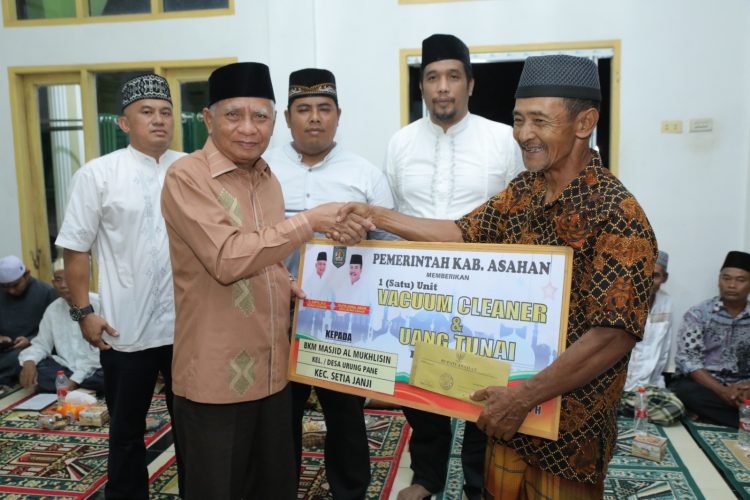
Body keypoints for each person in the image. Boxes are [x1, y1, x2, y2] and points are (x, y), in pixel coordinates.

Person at [337, 54, 656, 498]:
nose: (525, 134)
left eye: (540, 121)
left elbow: (613, 334)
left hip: (569, 430)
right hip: (507, 413)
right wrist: (377, 215)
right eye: (519, 120)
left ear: (584, 123)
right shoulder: (524, 190)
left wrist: (524, 395)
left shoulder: (619, 215)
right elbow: (462, 233)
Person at [160, 62, 369, 500]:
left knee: (273, 487)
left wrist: (284, 282)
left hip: (274, 374)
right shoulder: (187, 177)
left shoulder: (267, 179)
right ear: (208, 118)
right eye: (234, 115)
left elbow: (266, 256)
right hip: (216, 381)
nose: (248, 128)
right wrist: (309, 222)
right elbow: (227, 258)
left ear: (274, 121)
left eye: (260, 116)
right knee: (218, 489)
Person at [383, 33, 523, 500]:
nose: (443, 87)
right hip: (419, 294)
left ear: (470, 84)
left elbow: (520, 219)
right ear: (421, 86)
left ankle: (478, 484)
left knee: (482, 393)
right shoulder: (400, 144)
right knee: (422, 391)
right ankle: (426, 478)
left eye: (453, 77)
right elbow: (393, 218)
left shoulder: (503, 139)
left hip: (485, 296)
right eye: (432, 78)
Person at [264, 67, 394, 500]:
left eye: (324, 108)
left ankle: (349, 491)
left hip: (343, 317)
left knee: (345, 414)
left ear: (339, 115)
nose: (314, 118)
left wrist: (363, 234)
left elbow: (389, 243)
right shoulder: (263, 171)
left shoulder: (365, 173)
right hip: (277, 311)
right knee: (281, 414)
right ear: (287, 117)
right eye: (304, 109)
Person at [56, 74, 185, 499]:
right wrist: (82, 312)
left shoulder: (190, 170)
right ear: (124, 122)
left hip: (188, 326)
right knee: (127, 427)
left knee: (193, 425)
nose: (159, 120)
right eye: (146, 112)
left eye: (165, 112)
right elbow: (76, 251)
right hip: (124, 328)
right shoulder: (98, 174)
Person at [670, 250, 750, 428]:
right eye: (726, 278)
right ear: (719, 281)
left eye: (740, 280)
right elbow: (688, 359)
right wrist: (723, 391)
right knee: (685, 392)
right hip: (708, 387)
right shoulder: (699, 313)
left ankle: (720, 415)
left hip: (744, 388)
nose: (731, 285)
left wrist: (746, 388)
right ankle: (741, 419)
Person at [18, 258, 104, 393]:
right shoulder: (53, 309)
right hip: (67, 368)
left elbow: (102, 350)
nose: (63, 285)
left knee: (114, 370)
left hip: (96, 368)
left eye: (69, 278)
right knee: (37, 368)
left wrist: (76, 379)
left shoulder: (100, 304)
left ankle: (74, 385)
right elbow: (41, 344)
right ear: (53, 283)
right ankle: (81, 387)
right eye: (58, 280)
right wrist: (29, 361)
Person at [620, 250, 684, 425]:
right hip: (618, 384)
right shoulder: (621, 299)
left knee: (675, 408)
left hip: (649, 386)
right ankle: (625, 405)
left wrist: (654, 387)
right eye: (644, 274)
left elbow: (664, 349)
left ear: (665, 278)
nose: (647, 281)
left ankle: (624, 408)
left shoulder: (666, 303)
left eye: (654, 276)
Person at [0, 255, 58, 386]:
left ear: (26, 275)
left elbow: (55, 330)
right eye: (5, 287)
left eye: (15, 285)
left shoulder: (46, 292)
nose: (10, 291)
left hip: (30, 348)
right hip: (4, 349)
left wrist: (30, 340)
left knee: (20, 359)